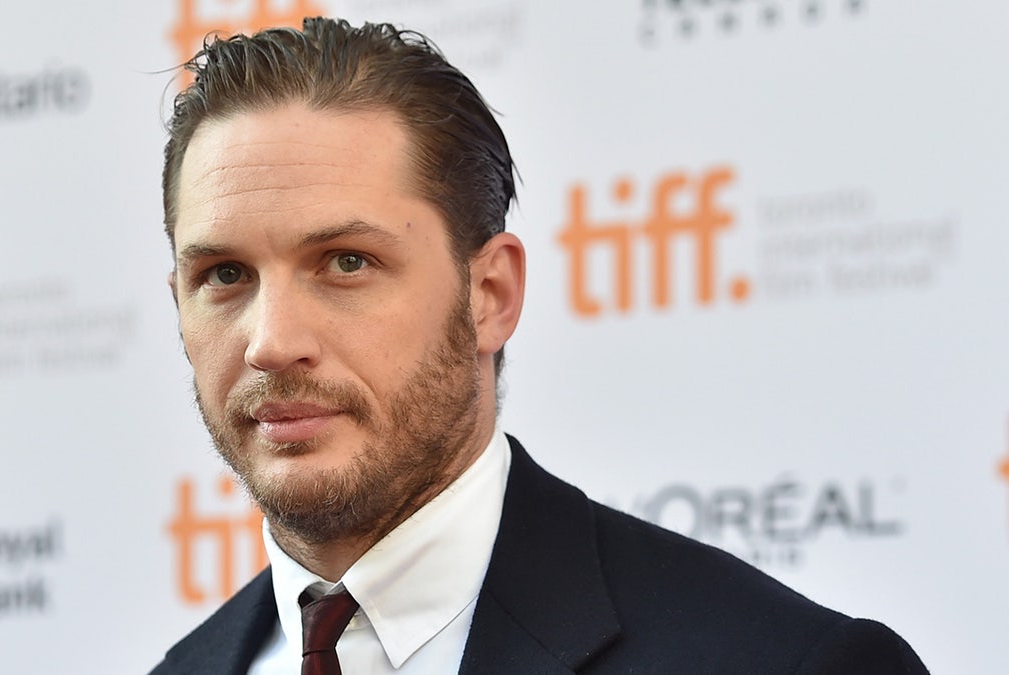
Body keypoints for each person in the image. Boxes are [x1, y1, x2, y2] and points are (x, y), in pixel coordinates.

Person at [149, 17, 929, 675]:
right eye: (223, 274)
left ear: (490, 295)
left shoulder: (785, 661)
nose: (273, 341)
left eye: (348, 261)